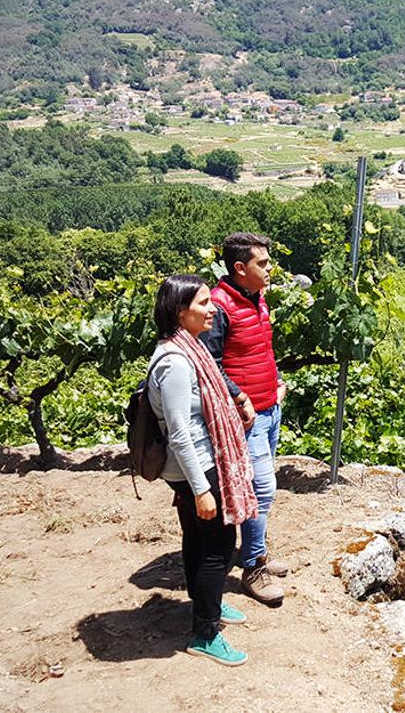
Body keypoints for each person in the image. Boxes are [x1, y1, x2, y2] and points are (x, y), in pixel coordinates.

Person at [149, 274, 258, 666]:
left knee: (197, 540)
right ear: (180, 312)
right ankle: (205, 632)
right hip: (195, 468)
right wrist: (201, 489)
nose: (212, 309)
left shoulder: (186, 349)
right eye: (202, 304)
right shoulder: (177, 362)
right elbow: (179, 432)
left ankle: (205, 604)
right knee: (218, 548)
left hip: (197, 466)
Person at [201, 233, 289, 606]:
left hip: (270, 408)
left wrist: (278, 381)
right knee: (260, 490)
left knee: (262, 487)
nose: (270, 269)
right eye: (263, 264)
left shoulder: (256, 299)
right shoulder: (220, 307)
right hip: (247, 417)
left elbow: (259, 349)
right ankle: (253, 567)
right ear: (240, 268)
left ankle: (256, 550)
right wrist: (239, 396)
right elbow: (210, 365)